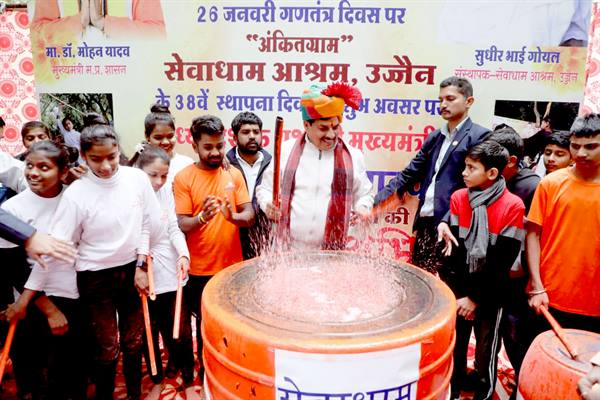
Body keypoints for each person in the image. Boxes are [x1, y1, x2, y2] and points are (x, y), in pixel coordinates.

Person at [43, 122, 161, 400]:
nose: (106, 166)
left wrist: (141, 265)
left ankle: (134, 394)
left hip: (132, 269)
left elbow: (148, 223)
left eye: (112, 156)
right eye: (96, 159)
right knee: (107, 346)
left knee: (133, 341)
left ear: (119, 150)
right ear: (84, 156)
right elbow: (62, 242)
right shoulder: (76, 193)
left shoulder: (136, 179)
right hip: (95, 276)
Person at [375, 76, 490, 273]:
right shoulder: (435, 137)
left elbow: (476, 188)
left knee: (445, 285)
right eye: (440, 100)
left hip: (453, 227)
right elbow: (409, 174)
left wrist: (447, 219)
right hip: (425, 223)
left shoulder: (480, 136)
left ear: (469, 101)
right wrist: (374, 202)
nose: (443, 104)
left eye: (450, 99)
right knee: (419, 281)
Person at [439, 140, 525, 400]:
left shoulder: (513, 206)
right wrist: (460, 295)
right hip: (460, 290)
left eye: (471, 168)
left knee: (486, 352)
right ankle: (453, 392)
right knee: (455, 347)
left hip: (491, 293)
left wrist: (475, 298)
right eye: (465, 166)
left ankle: (483, 395)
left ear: (492, 173)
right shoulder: (459, 198)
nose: (464, 173)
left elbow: (502, 261)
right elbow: (454, 251)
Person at [4, 140, 86, 400]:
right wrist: (49, 310)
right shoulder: (11, 210)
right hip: (34, 302)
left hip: (74, 295)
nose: (33, 173)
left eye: (43, 167)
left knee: (72, 370)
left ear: (63, 172)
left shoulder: (76, 199)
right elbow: (13, 267)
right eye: (29, 166)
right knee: (37, 372)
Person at [173, 115, 254, 374]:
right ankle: (206, 372)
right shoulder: (184, 178)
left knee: (231, 325)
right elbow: (182, 223)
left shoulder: (233, 173)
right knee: (204, 326)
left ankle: (228, 371)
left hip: (231, 269)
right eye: (208, 147)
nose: (216, 152)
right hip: (199, 269)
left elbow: (249, 215)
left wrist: (233, 218)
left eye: (220, 145)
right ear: (194, 145)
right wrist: (202, 218)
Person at [256, 82, 373, 250]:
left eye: (335, 127)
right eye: (323, 128)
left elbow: (365, 194)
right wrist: (268, 204)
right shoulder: (286, 151)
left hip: (334, 254)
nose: (331, 135)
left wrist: (363, 208)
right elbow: (264, 190)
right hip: (289, 251)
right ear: (306, 125)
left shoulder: (354, 156)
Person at [131, 145, 198, 400]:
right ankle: (157, 379)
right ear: (139, 172)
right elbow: (137, 235)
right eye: (153, 175)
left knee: (180, 329)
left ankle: (188, 380)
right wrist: (139, 267)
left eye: (164, 175)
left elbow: (173, 227)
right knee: (150, 330)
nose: (159, 181)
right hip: (142, 272)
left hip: (170, 268)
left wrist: (183, 254)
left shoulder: (166, 192)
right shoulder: (130, 195)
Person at [526, 113, 600, 333]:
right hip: (550, 296)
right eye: (575, 146)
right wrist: (537, 286)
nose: (581, 153)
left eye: (591, 146)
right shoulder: (550, 183)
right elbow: (533, 235)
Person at [485, 127, 541, 399]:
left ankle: (526, 387)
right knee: (493, 334)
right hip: (494, 272)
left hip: (518, 278)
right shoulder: (494, 181)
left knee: (516, 336)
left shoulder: (533, 186)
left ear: (512, 161)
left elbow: (534, 236)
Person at [226, 111, 272, 259]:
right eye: (246, 132)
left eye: (256, 132)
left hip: (265, 240)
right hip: (232, 238)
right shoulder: (225, 165)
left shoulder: (273, 164)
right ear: (234, 137)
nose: (252, 136)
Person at [130, 104, 194, 185]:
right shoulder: (138, 167)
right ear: (147, 137)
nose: (165, 142)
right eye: (158, 138)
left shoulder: (187, 164)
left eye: (170, 136)